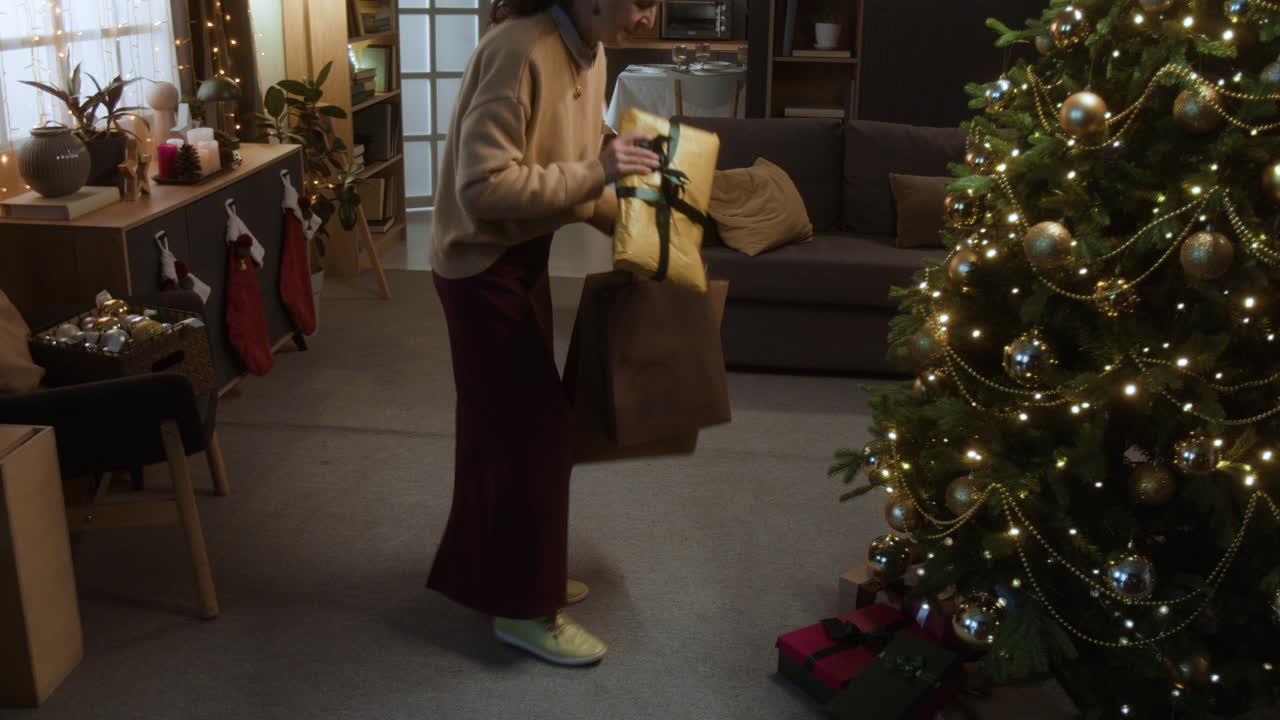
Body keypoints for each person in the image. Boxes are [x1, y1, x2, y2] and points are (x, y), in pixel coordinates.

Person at [426, 0, 660, 666]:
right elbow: (484, 188)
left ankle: (500, 575)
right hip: (479, 263)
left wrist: (649, 239)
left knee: (500, 431)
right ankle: (525, 609)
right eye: (640, 1)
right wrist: (600, 172)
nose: (647, 19)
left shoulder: (589, 51)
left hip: (522, 254)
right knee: (536, 433)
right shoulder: (519, 51)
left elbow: (578, 178)